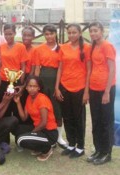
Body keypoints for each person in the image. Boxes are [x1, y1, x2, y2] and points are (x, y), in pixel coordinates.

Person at [55, 24, 91, 158]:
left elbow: (89, 71)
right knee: (67, 117)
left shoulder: (86, 48)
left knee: (78, 118)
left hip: (79, 88)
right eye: (69, 33)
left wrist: (86, 92)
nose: (71, 35)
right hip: (64, 87)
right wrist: (57, 87)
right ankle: (71, 144)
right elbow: (60, 68)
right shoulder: (63, 47)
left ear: (80, 33)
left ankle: (80, 147)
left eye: (74, 32)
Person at [86, 22, 116, 165]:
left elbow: (112, 69)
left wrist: (107, 91)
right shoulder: (93, 46)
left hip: (105, 89)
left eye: (95, 31)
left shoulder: (107, 46)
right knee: (96, 121)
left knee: (106, 122)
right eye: (91, 31)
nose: (93, 33)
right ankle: (98, 150)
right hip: (94, 88)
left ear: (102, 31)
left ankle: (106, 153)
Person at [34, 24, 67, 149]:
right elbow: (37, 68)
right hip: (43, 82)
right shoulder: (39, 49)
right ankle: (45, 135)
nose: (49, 36)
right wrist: (36, 85)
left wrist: (57, 86)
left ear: (56, 34)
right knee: (43, 109)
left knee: (57, 109)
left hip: (56, 82)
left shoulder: (61, 48)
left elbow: (60, 68)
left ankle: (59, 137)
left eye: (51, 34)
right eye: (46, 34)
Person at [14, 75, 58, 161]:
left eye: (35, 86)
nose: (32, 88)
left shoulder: (42, 99)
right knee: (17, 128)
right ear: (26, 87)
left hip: (49, 133)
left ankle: (47, 150)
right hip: (39, 130)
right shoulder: (29, 98)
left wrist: (32, 133)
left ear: (39, 88)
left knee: (21, 139)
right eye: (30, 86)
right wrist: (18, 102)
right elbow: (23, 118)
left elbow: (44, 123)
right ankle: (39, 147)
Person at [0, 23, 28, 126]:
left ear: (15, 33)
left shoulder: (21, 47)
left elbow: (23, 66)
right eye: (5, 34)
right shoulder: (1, 47)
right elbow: (0, 64)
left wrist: (21, 82)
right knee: (4, 106)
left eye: (10, 34)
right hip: (3, 81)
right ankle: (3, 139)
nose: (8, 36)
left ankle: (18, 135)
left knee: (16, 106)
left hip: (16, 81)